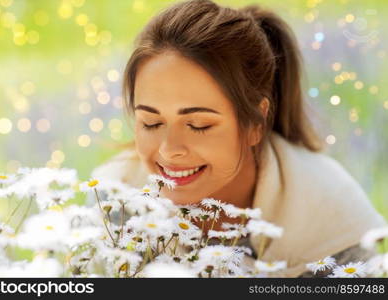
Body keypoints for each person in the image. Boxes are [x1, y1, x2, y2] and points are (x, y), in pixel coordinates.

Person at [89, 0, 387, 277]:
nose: (169, 150)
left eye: (198, 124)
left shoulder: (332, 221)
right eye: (151, 123)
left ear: (255, 122)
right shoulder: (115, 204)